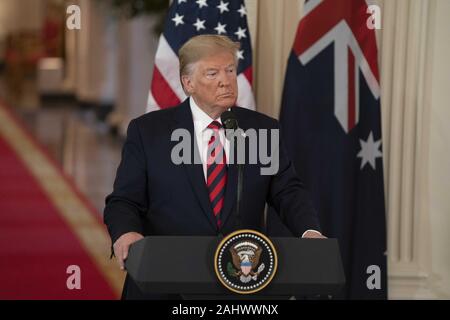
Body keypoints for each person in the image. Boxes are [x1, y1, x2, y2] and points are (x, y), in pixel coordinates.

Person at [104, 34, 325, 300]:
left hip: (241, 281)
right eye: (212, 73)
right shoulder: (149, 132)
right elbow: (124, 200)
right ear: (188, 83)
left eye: (230, 70)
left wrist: (309, 231)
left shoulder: (262, 129)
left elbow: (287, 191)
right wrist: (126, 232)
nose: (225, 80)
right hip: (166, 280)